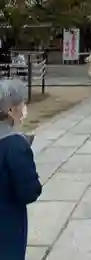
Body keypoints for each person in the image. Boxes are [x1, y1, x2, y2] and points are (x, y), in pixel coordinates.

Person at [0, 78, 42, 260]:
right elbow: (29, 192)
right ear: (10, 110)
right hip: (7, 225)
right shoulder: (15, 145)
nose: (24, 109)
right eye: (21, 104)